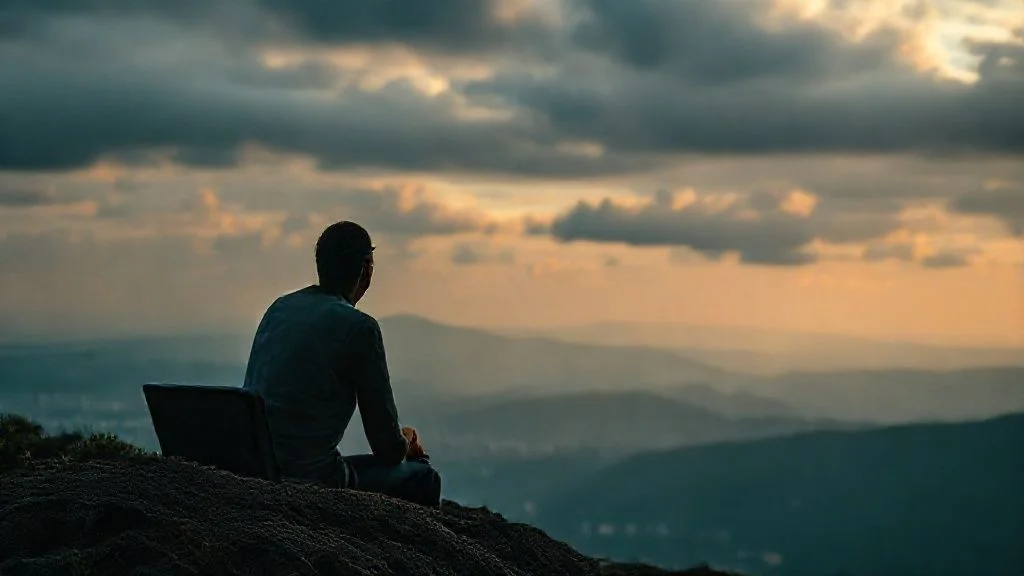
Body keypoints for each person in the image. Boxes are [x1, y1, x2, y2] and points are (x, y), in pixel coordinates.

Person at [242, 221, 441, 506]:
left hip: (260, 468)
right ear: (366, 270)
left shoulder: (279, 309)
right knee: (424, 476)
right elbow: (387, 448)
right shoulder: (360, 329)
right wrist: (408, 440)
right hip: (314, 481)